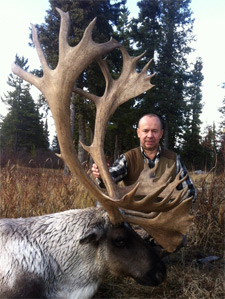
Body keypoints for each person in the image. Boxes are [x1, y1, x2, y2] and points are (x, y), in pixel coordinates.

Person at [92, 113, 196, 201]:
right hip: (134, 219)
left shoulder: (174, 160)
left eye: (154, 131)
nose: (150, 136)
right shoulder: (128, 158)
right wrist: (102, 175)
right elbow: (111, 177)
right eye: (145, 131)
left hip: (165, 220)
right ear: (138, 133)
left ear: (161, 133)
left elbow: (191, 193)